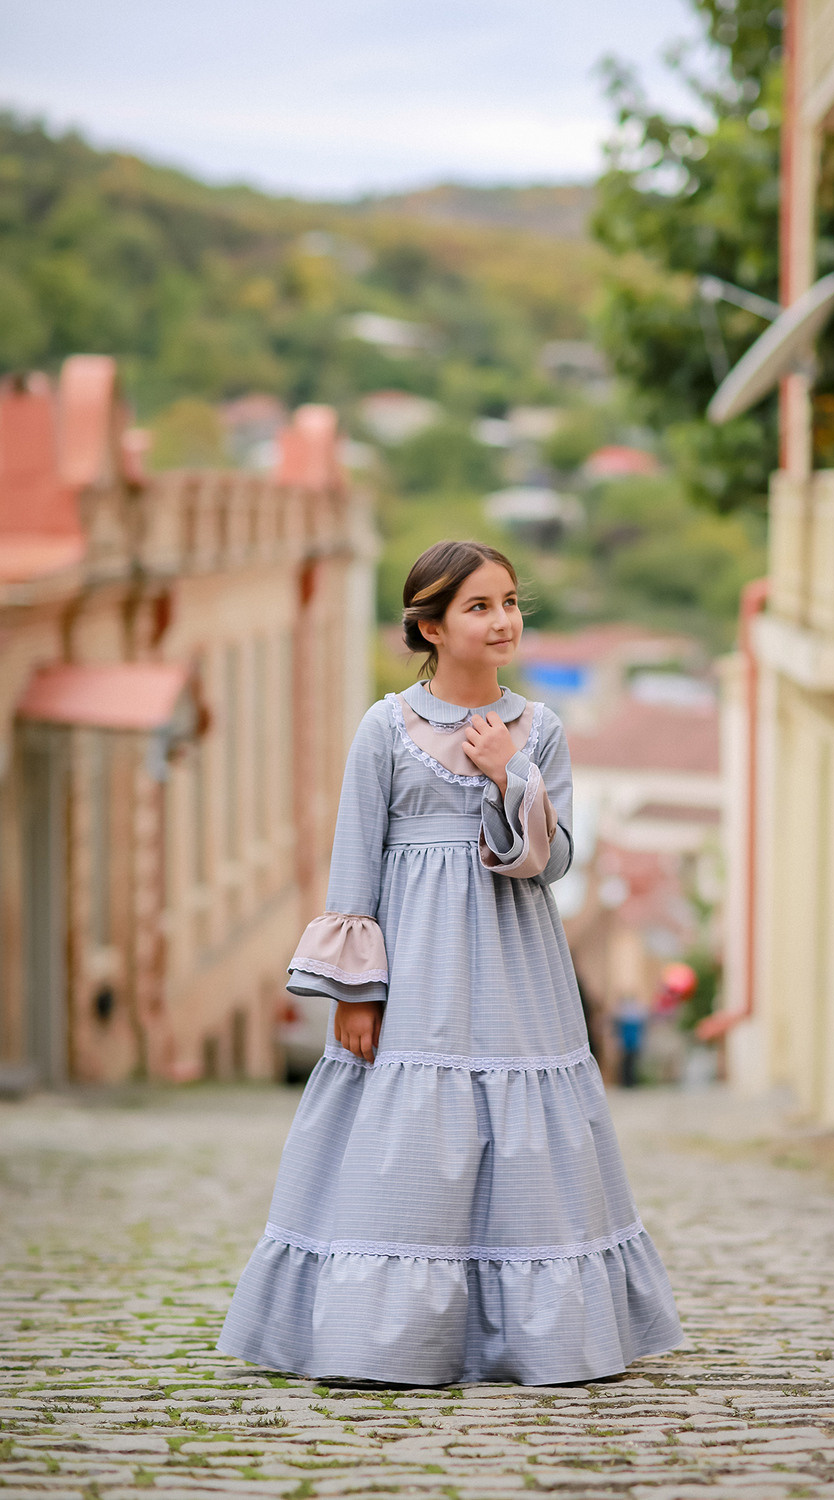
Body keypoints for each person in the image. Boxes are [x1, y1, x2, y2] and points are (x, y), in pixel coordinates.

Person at [217, 539, 683, 1385]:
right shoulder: (384, 726)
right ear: (428, 626)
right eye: (478, 606)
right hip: (416, 964)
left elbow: (557, 860)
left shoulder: (539, 730)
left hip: (516, 962)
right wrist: (355, 993)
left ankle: (542, 1336)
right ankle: (385, 1338)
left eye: (509, 601)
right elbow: (355, 857)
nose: (502, 619)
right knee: (406, 1139)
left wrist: (511, 777)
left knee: (525, 1139)